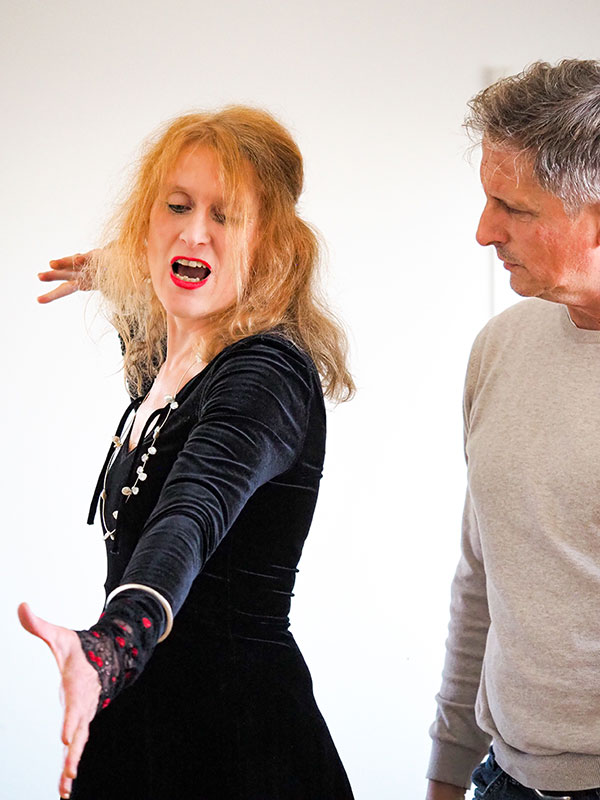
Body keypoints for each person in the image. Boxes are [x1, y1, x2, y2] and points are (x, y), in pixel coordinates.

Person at [20, 106, 356, 800]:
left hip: (237, 747)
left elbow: (189, 513)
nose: (194, 231)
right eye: (176, 206)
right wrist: (120, 269)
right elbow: (160, 326)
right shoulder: (171, 369)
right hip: (144, 728)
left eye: (225, 216)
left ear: (268, 247)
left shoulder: (263, 375)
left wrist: (112, 645)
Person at [426, 59, 600, 800]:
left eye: (513, 207)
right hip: (502, 777)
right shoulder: (500, 346)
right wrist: (447, 769)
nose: (483, 232)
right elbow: (482, 577)